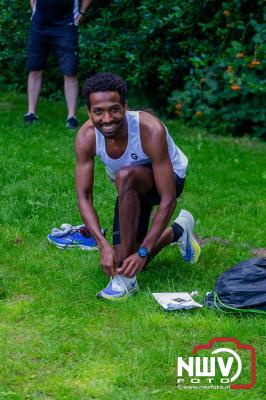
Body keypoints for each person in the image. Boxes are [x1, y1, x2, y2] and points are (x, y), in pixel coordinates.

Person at [75, 72, 201, 300]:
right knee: (126, 258)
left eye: (114, 109)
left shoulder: (150, 129)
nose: (107, 118)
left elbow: (168, 199)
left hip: (168, 182)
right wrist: (102, 245)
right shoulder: (86, 136)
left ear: (125, 106)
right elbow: (84, 196)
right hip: (129, 190)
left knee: (125, 178)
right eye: (98, 112)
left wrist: (143, 252)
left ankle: (126, 281)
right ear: (89, 112)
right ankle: (178, 231)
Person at [24, 0, 92, 129]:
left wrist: (81, 13)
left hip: (66, 26)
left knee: (70, 72)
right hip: (39, 25)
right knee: (34, 69)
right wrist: (34, 9)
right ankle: (31, 113)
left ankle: (71, 117)